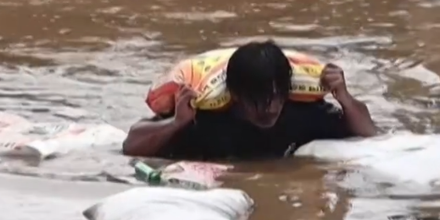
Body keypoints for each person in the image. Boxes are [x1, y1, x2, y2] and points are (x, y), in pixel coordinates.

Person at [122, 40, 378, 161]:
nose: (270, 108)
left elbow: (369, 133)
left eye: (276, 97)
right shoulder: (205, 120)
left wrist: (345, 98)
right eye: (257, 99)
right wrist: (176, 123)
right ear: (234, 94)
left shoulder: (301, 114)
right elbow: (131, 145)